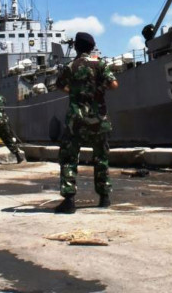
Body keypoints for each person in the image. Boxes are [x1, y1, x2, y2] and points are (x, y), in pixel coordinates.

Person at [54, 32, 119, 214]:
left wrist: (75, 91)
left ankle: (69, 201)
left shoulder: (70, 66)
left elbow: (59, 85)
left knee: (68, 157)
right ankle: (104, 197)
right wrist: (98, 90)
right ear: (92, 47)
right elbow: (114, 84)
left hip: (76, 120)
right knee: (101, 157)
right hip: (99, 118)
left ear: (76, 46)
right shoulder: (100, 64)